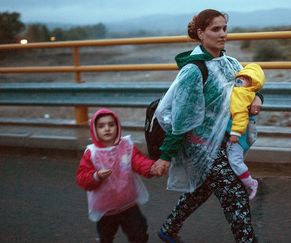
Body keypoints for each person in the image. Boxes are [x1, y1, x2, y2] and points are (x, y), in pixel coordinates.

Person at [152, 9, 263, 243]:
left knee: (201, 188)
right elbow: (181, 120)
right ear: (201, 34)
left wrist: (259, 97)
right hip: (202, 146)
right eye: (215, 29)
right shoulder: (194, 71)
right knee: (235, 195)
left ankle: (168, 229)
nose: (222, 34)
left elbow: (248, 87)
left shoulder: (230, 63)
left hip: (224, 142)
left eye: (224, 28)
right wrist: (165, 156)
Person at [76, 108, 157, 243]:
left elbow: (138, 161)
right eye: (101, 126)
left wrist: (151, 168)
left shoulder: (126, 146)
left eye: (111, 124)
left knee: (139, 233)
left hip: (128, 204)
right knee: (106, 236)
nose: (107, 129)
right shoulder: (92, 153)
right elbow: (82, 178)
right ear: (94, 129)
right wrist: (96, 176)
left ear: (118, 126)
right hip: (106, 209)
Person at [227, 63, 266, 201]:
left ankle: (250, 183)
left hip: (236, 135)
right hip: (233, 133)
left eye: (247, 78)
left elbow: (240, 115)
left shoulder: (242, 93)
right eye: (241, 76)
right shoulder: (240, 91)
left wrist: (235, 133)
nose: (241, 79)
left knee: (234, 160)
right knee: (232, 161)